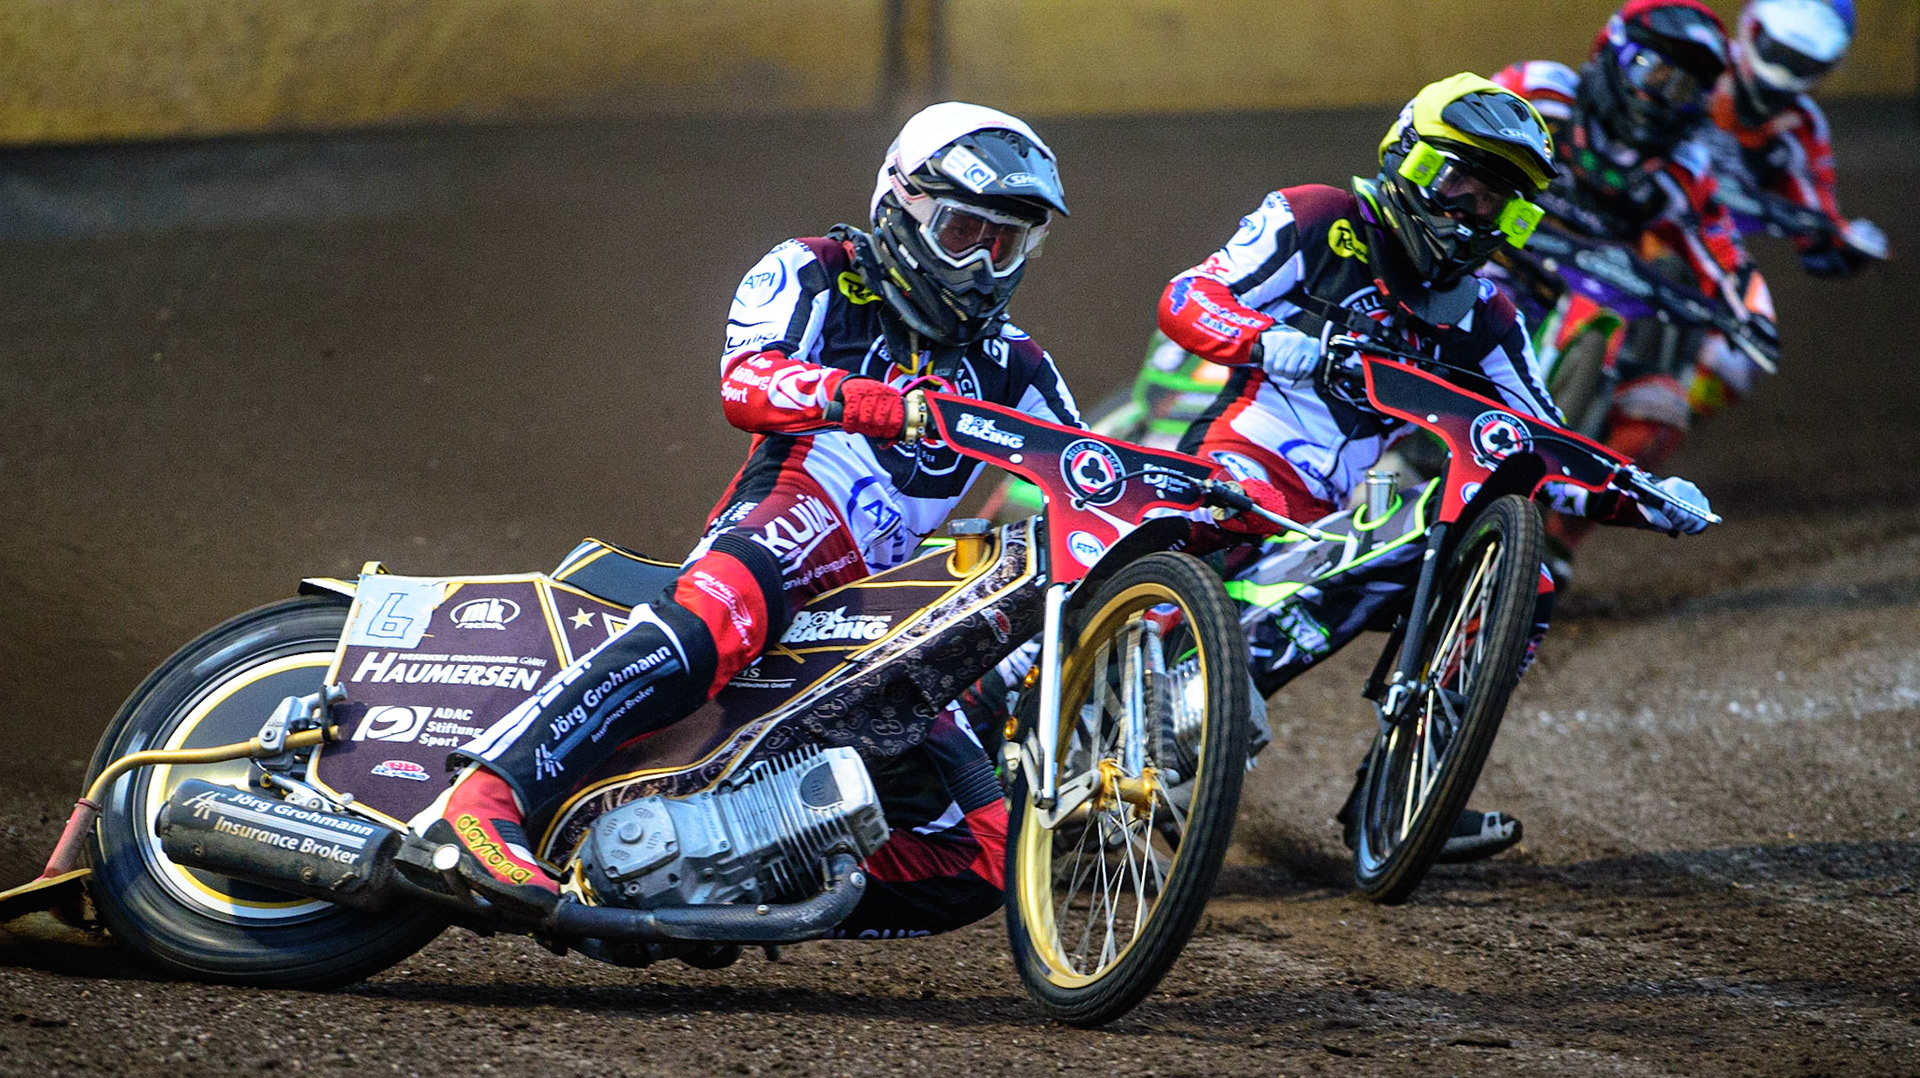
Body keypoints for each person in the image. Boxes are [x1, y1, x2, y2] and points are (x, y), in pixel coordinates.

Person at [413, 102, 1292, 929]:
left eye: (1008, 242)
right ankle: (482, 801)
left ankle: (729, 885)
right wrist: (865, 402)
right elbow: (745, 382)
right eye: (964, 233)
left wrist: (1210, 505)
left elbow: (1087, 473)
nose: (986, 264)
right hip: (788, 531)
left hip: (885, 611)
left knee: (986, 856)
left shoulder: (1017, 363)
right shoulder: (813, 271)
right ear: (901, 207)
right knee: (716, 613)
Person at [1154, 73, 1716, 861]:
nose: (1468, 212)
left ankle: (1405, 788)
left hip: (1346, 510)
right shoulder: (1319, 217)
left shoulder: (1486, 313)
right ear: (1405, 158)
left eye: (1495, 203)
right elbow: (1189, 296)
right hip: (1239, 469)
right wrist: (1270, 343)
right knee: (1161, 608)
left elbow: (1543, 438)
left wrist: (1642, 493)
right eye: (1456, 182)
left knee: (1526, 581)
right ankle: (1105, 712)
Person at [1492, 0, 1770, 570]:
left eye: (1682, 85)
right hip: (1489, 266)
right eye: (1652, 70)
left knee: (1671, 402)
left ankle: (1553, 543)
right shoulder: (1540, 93)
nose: (1660, 94)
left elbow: (1723, 251)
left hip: (1582, 298)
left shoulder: (1682, 167)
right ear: (1611, 54)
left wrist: (1754, 317)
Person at [1689, 0, 1888, 418]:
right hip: (1618, 206)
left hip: (1709, 251)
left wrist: (1842, 245)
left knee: (1735, 366)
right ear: (1751, 28)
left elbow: (1819, 220)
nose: (1780, 74)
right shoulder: (1694, 57)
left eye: (1801, 63)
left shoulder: (1802, 129)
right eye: (1779, 53)